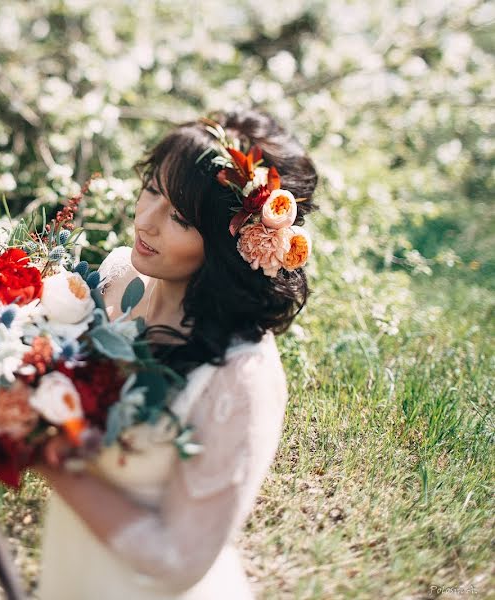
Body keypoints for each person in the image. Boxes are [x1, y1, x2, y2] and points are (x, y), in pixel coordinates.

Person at [34, 108, 319, 599]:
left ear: (236, 242)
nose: (145, 220)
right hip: (70, 569)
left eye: (180, 217)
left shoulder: (241, 379)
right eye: (151, 188)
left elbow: (178, 559)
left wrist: (41, 457)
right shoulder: (119, 279)